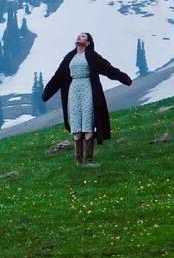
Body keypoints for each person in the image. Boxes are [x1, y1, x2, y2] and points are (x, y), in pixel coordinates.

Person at [42, 32, 132, 166]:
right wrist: (46, 93)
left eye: (83, 36)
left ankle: (89, 159)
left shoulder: (92, 56)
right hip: (73, 91)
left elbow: (108, 68)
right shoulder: (69, 57)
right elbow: (58, 76)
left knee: (88, 122)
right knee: (76, 123)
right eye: (79, 36)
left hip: (88, 89)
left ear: (88, 42)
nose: (79, 37)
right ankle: (78, 161)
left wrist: (124, 78)